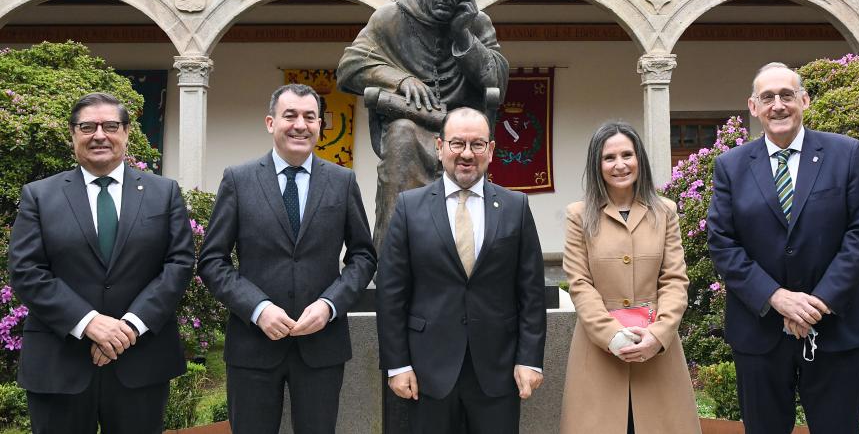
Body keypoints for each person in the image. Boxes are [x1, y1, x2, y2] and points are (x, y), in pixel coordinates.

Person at [8, 92, 194, 434]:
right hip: (59, 364)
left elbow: (179, 264)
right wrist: (89, 323)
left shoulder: (163, 192)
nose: (99, 135)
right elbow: (26, 270)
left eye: (110, 125)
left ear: (126, 132)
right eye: (87, 126)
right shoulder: (40, 195)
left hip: (141, 362)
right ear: (73, 134)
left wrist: (129, 328)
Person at [707, 62, 859, 434]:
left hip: (835, 330)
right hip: (760, 333)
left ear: (804, 100)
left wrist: (815, 304)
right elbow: (722, 243)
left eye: (787, 95)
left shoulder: (845, 154)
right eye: (767, 97)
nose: (778, 105)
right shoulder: (731, 167)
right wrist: (778, 298)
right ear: (753, 107)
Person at [198, 84, 376, 434]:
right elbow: (212, 260)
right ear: (270, 122)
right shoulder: (238, 180)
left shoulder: (342, 181)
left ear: (320, 125)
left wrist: (329, 304)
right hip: (253, 346)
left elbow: (363, 256)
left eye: (310, 117)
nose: (300, 125)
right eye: (289, 115)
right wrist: (258, 308)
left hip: (321, 347)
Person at [376, 107, 545, 434]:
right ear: (439, 148)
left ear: (491, 151)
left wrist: (530, 359)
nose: (467, 154)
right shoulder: (409, 208)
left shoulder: (515, 208)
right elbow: (391, 294)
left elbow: (532, 293)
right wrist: (397, 365)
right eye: (457, 144)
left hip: (498, 371)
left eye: (477, 144)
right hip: (427, 373)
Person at [337, 0, 509, 247]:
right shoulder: (390, 18)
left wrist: (462, 36)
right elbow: (349, 67)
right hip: (410, 122)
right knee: (402, 135)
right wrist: (399, 79)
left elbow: (496, 80)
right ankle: (394, 254)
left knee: (464, 145)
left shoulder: (477, 23)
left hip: (461, 127)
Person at [559, 121, 701, 434]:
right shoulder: (579, 215)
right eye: (609, 157)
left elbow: (675, 280)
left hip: (657, 353)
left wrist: (659, 334)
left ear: (640, 159)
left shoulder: (665, 212)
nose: (620, 164)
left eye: (627, 154)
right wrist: (612, 335)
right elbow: (580, 284)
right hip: (599, 353)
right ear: (597, 164)